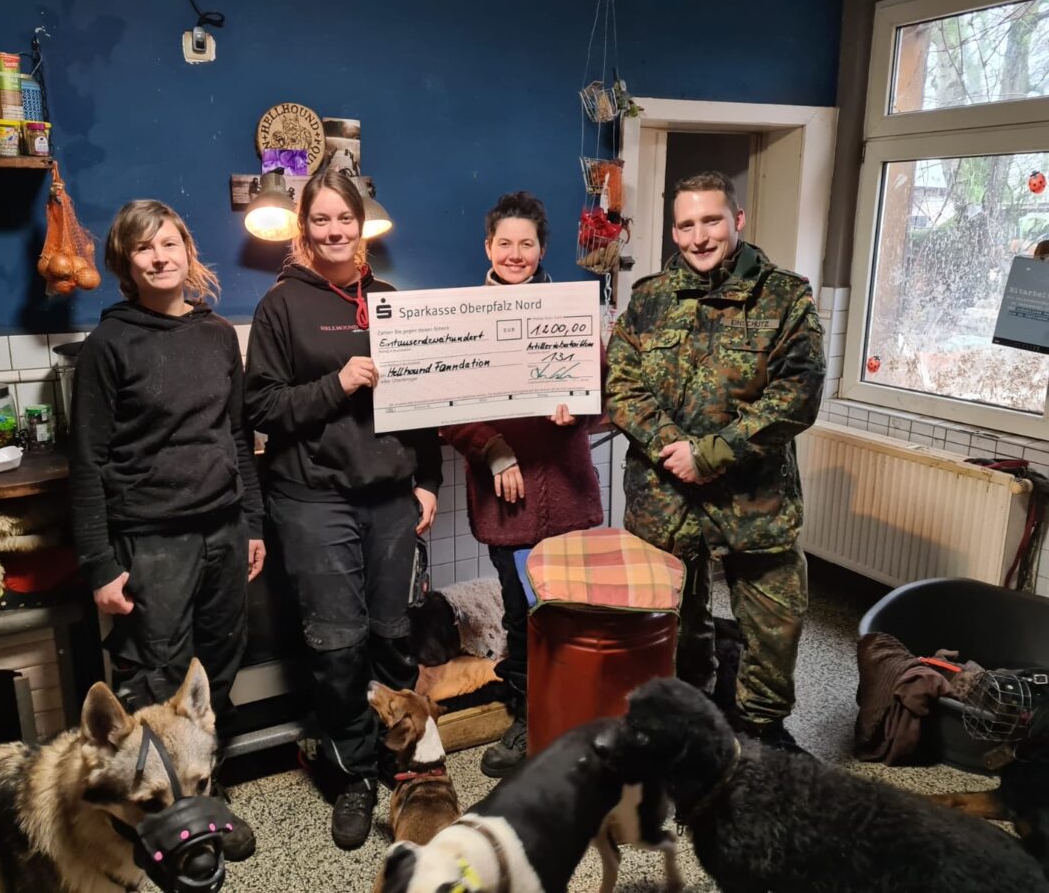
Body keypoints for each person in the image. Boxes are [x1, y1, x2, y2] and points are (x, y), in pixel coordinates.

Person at [243, 171, 441, 849]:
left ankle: (401, 761)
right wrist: (337, 384)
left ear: (360, 225)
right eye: (321, 219)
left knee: (391, 637)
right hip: (313, 499)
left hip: (389, 498)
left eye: (344, 219)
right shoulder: (280, 306)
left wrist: (428, 479)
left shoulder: (388, 301)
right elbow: (261, 406)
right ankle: (352, 773)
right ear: (305, 227)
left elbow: (423, 400)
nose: (333, 231)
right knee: (336, 647)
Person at [69, 200, 265, 856]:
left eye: (169, 243)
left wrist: (253, 523)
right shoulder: (109, 346)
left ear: (188, 250)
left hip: (223, 530)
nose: (159, 258)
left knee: (217, 674)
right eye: (143, 248)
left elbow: (236, 436)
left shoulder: (217, 336)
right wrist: (99, 564)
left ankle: (205, 794)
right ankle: (163, 820)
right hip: (150, 540)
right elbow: (87, 461)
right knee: (157, 679)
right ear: (125, 266)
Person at [606, 170, 825, 750]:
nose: (699, 237)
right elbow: (622, 386)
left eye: (711, 221)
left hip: (754, 501)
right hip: (665, 500)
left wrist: (710, 454)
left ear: (737, 219)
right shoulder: (649, 298)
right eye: (686, 225)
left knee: (774, 622)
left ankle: (762, 731)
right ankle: (687, 721)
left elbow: (798, 394)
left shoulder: (785, 297)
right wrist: (670, 448)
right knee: (671, 623)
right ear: (673, 230)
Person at [441, 191, 604, 777]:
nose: (515, 254)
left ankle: (577, 715)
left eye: (526, 244)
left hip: (568, 492)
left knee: (572, 611)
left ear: (541, 250)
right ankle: (529, 717)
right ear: (488, 247)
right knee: (520, 614)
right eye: (505, 243)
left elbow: (601, 392)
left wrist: (578, 408)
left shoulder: (571, 313)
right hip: (506, 502)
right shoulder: (461, 319)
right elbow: (445, 406)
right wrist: (493, 448)